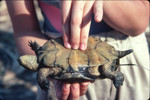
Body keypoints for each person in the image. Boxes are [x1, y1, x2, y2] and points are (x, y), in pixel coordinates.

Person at [6, 0, 149, 100]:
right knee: (104, 70)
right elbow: (24, 31)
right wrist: (49, 69)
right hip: (60, 72)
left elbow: (140, 22)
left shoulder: (45, 66)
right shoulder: (46, 67)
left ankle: (115, 75)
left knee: (107, 70)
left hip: (122, 55)